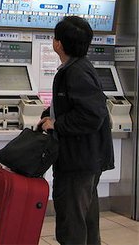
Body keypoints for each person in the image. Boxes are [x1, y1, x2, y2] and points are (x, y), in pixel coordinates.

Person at [38, 16, 114, 245]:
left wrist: (57, 124)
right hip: (85, 158)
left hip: (78, 161)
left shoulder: (76, 72)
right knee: (86, 220)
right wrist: (49, 115)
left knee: (72, 224)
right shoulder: (76, 68)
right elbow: (76, 104)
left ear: (58, 44)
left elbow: (92, 114)